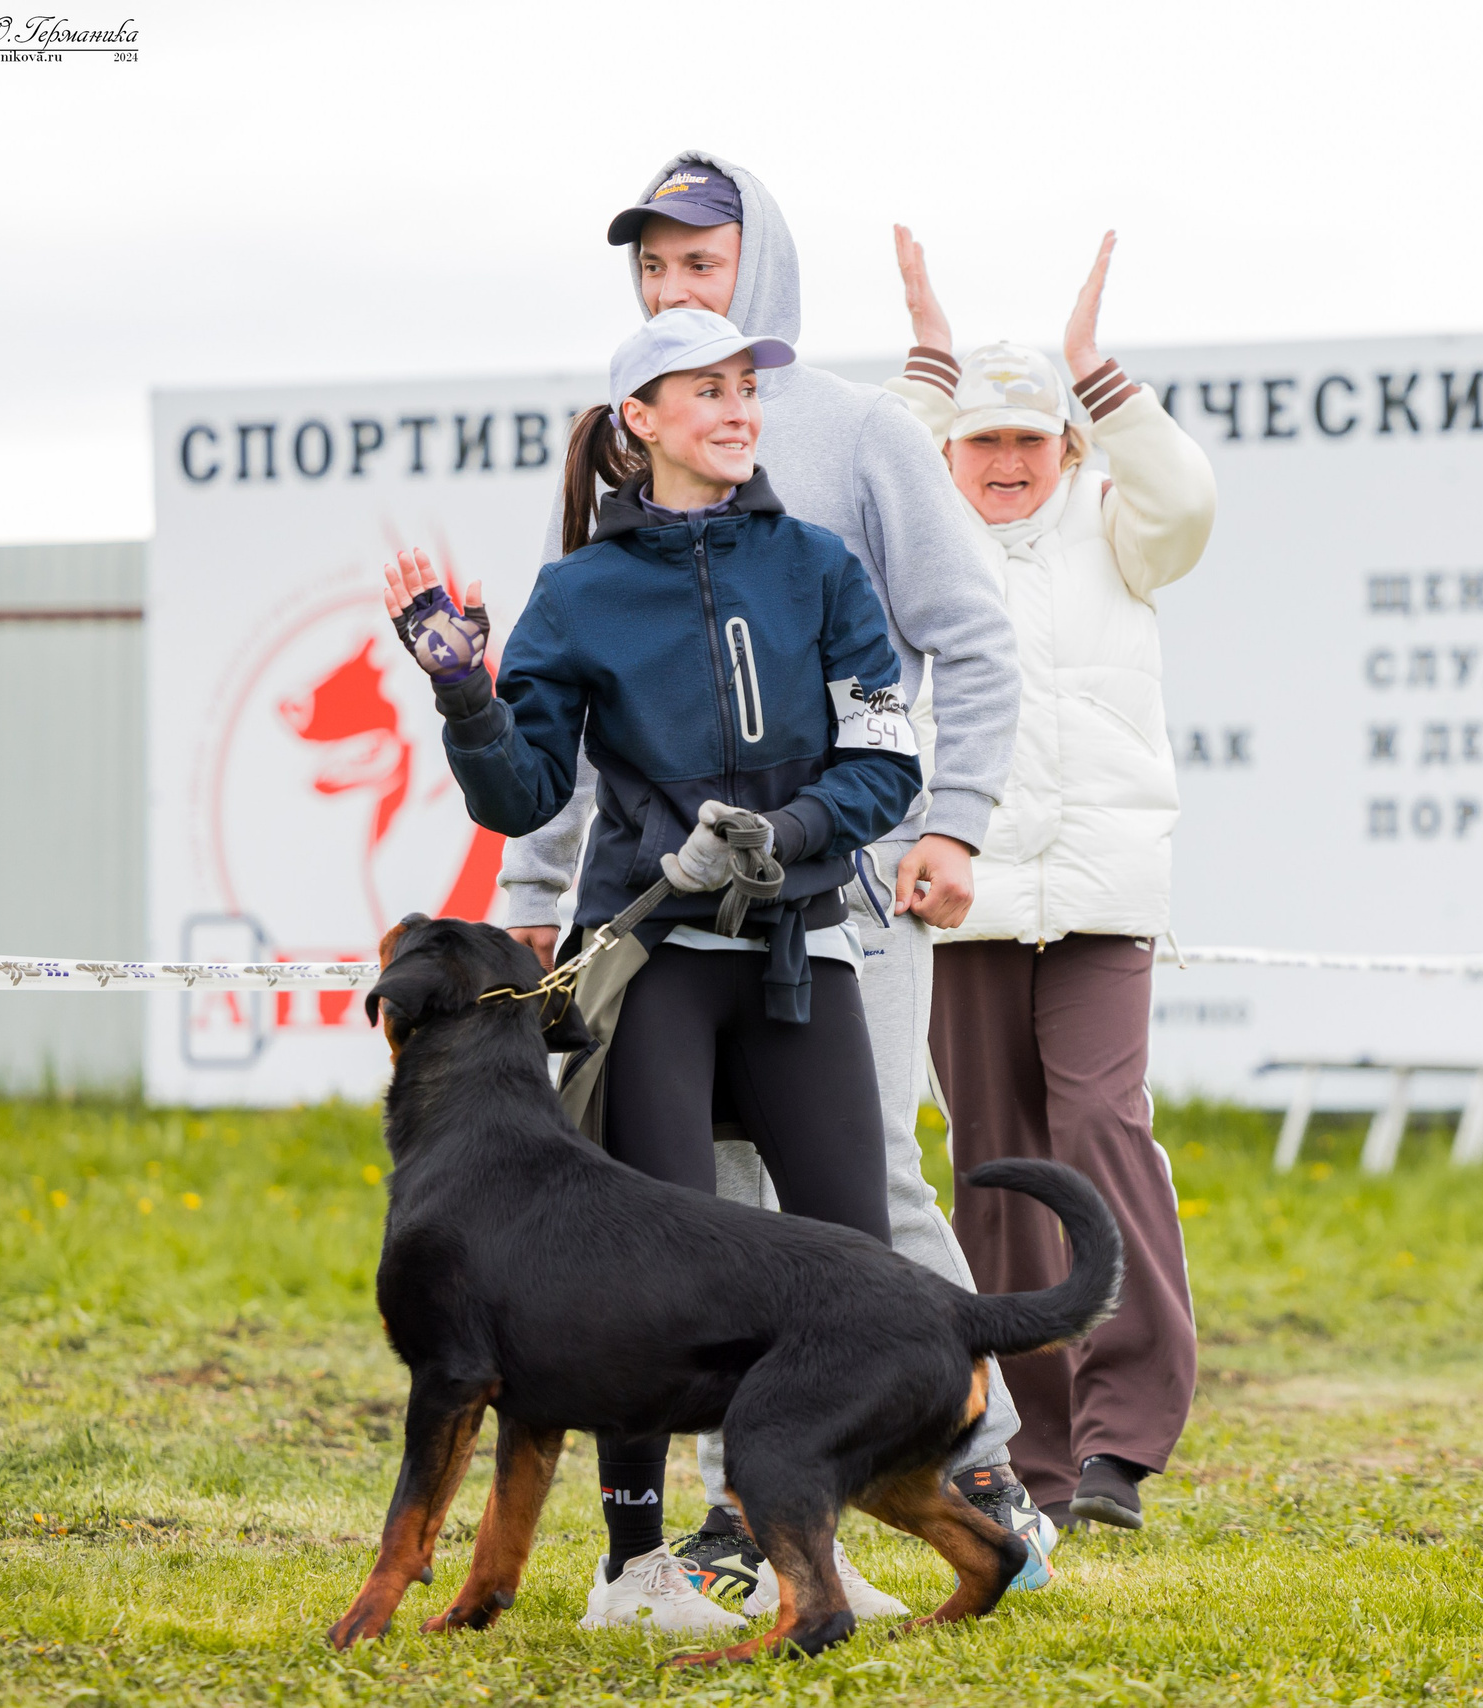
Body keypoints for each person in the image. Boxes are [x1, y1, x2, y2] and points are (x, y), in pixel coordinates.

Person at [502, 152, 1052, 1609]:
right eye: (658, 271)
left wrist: (952, 824)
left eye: (705, 262)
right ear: (644, 398)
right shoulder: (606, 519)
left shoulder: (856, 444)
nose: (683, 290)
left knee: (862, 1194)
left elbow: (966, 650)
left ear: (765, 269)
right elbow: (572, 748)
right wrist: (528, 886)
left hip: (852, 903)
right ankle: (708, 1530)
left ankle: (969, 1458)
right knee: (683, 1231)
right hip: (657, 941)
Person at [381, 308, 919, 1632]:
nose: (738, 409)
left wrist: (789, 833)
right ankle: (634, 1568)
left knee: (853, 1259)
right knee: (641, 1274)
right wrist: (464, 696)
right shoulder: (577, 594)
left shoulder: (822, 564)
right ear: (644, 421)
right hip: (654, 961)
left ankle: (811, 1550)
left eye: (747, 388)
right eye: (707, 391)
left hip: (804, 949)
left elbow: (889, 759)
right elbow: (518, 799)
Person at [888, 226, 1215, 1533]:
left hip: (1096, 899)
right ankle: (1040, 1451)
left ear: (1069, 450)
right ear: (953, 453)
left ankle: (1127, 1442)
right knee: (995, 1167)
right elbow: (853, 482)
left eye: (1032, 442)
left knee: (1101, 1133)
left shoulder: (1121, 533)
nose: (1009, 464)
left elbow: (1187, 497)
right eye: (984, 443)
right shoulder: (912, 540)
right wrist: (926, 365)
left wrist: (1096, 375)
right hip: (962, 902)